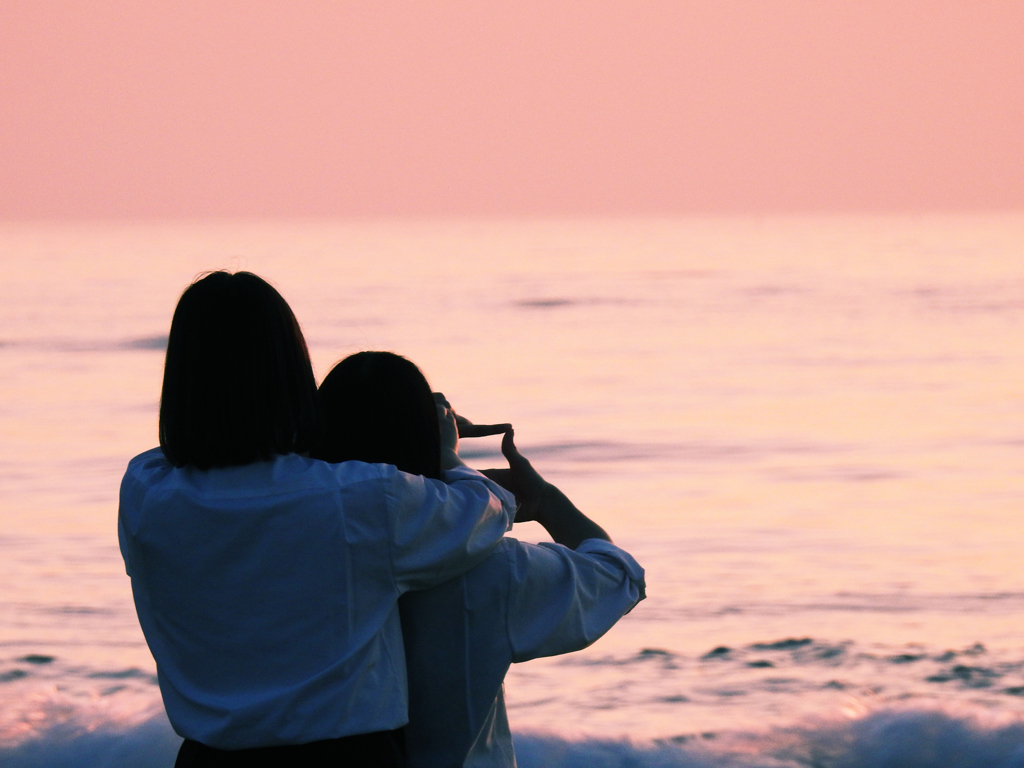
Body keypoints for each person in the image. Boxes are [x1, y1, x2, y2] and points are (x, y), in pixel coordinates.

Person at [117, 272, 517, 767]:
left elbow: (217, 462)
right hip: (349, 758)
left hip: (207, 759)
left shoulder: (145, 494)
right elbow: (485, 512)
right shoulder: (360, 498)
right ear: (292, 373)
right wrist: (446, 451)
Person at [315, 351, 645, 768]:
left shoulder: (290, 552)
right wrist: (544, 501)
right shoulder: (495, 569)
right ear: (433, 442)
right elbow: (618, 576)